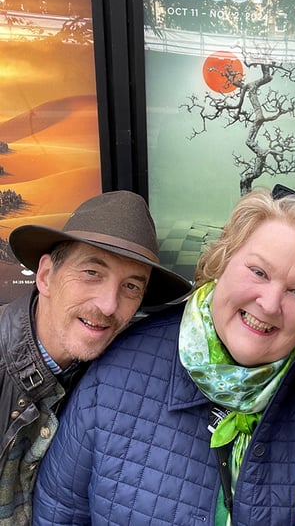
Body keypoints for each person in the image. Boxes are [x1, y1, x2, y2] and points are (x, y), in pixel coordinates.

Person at [33, 188, 295, 525]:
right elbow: (60, 511)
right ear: (222, 262)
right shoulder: (118, 371)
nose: (269, 303)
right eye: (259, 272)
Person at [0, 190, 191, 525]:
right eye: (92, 272)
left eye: (131, 287)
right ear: (45, 276)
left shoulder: (117, 375)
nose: (108, 305)